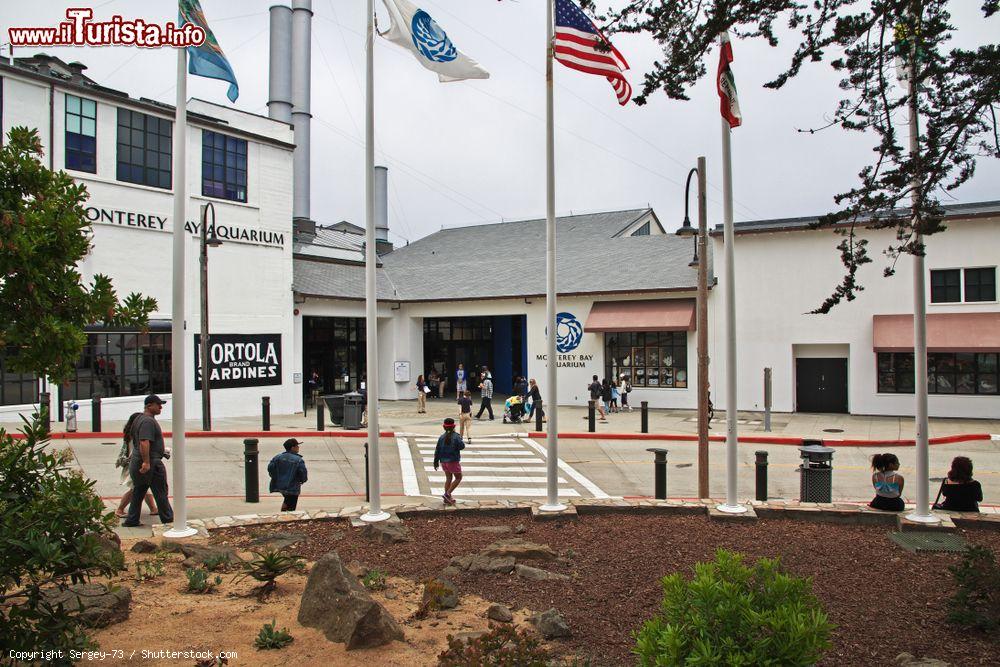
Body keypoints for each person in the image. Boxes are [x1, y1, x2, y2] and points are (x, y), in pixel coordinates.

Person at [122, 395, 174, 527]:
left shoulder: (139, 419)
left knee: (139, 491)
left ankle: (132, 519)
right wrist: (146, 462)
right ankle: (168, 520)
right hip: (150, 463)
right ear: (149, 406)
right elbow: (144, 442)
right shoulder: (147, 421)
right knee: (160, 491)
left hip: (139, 462)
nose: (161, 407)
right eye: (158, 404)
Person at [115, 412, 157, 518]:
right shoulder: (136, 435)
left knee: (143, 486)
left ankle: (153, 508)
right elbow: (139, 449)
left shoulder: (130, 433)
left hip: (132, 463)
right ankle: (120, 509)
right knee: (136, 488)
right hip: (135, 463)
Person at [268, 438, 309, 511]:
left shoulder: (277, 457)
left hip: (280, 485)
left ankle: (284, 514)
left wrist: (275, 477)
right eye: (297, 446)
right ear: (292, 448)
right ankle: (285, 516)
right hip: (293, 486)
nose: (298, 447)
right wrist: (302, 480)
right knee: (291, 504)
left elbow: (270, 468)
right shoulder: (299, 460)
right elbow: (302, 473)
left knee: (287, 500)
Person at [433, 417, 465, 505]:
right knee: (458, 477)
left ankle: (447, 498)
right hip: (453, 461)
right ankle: (447, 494)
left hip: (443, 462)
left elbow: (437, 450)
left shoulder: (441, 437)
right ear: (454, 426)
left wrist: (436, 462)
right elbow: (462, 446)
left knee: (448, 478)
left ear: (444, 427)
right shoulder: (456, 436)